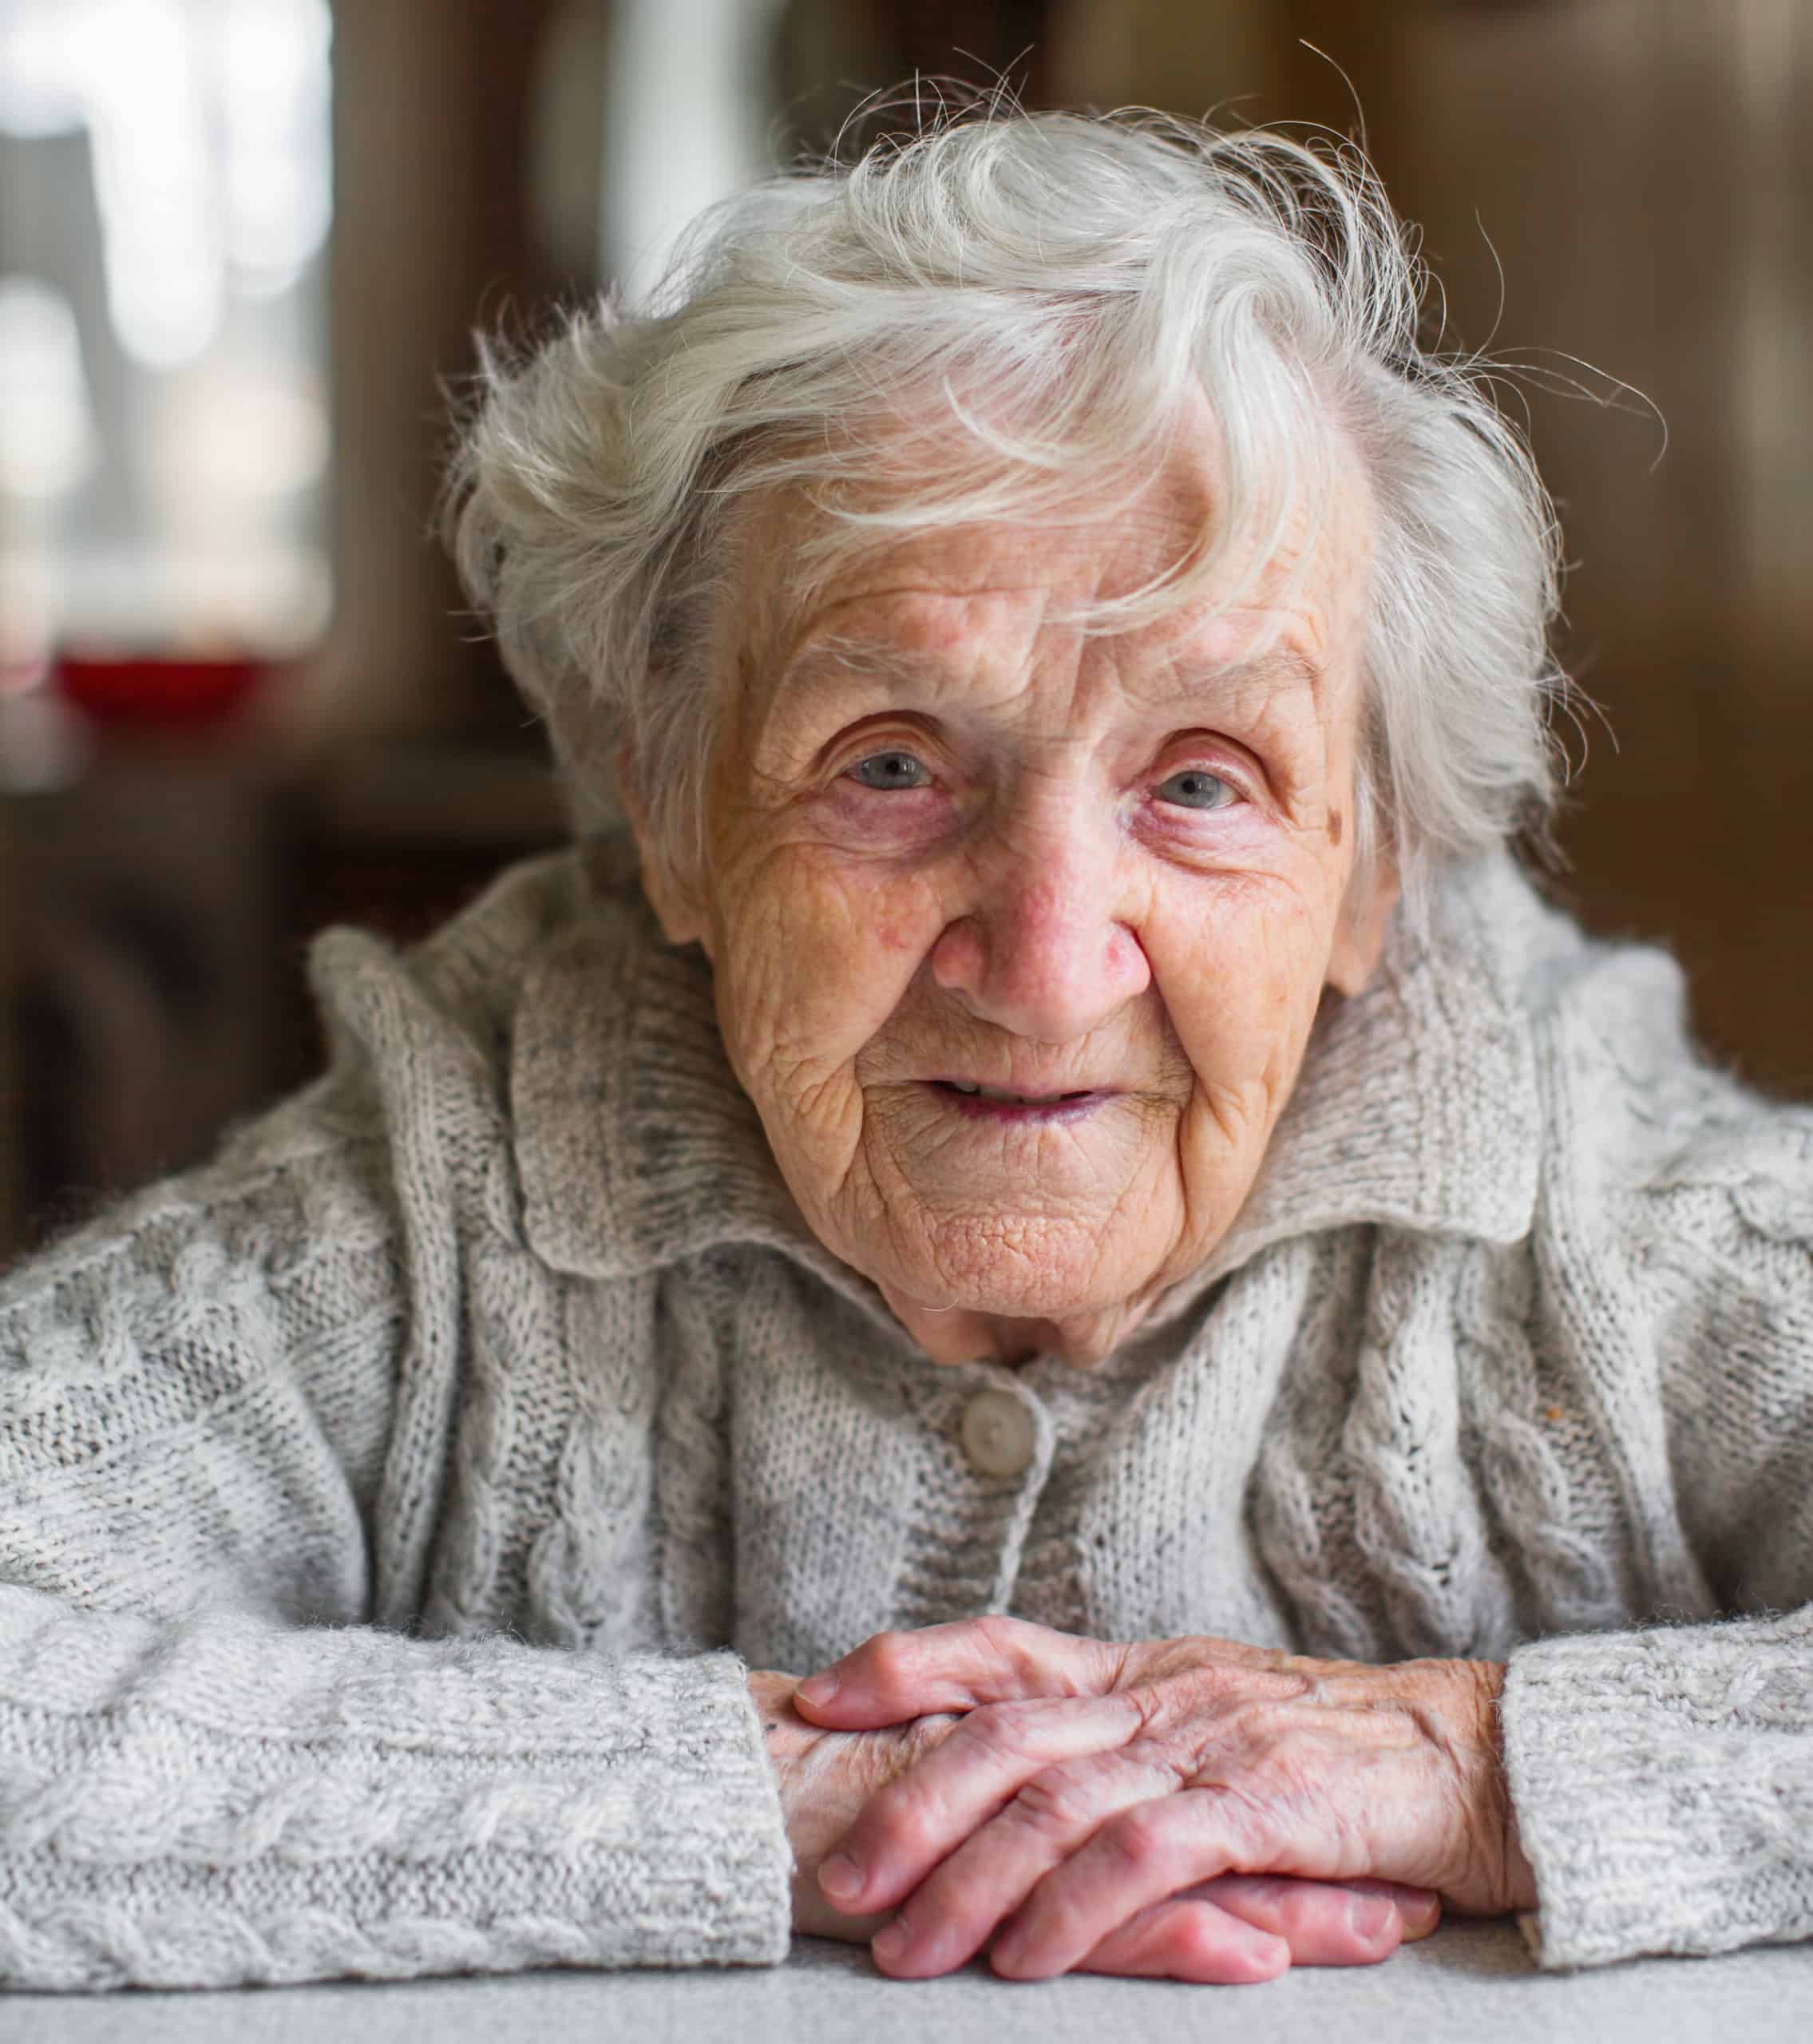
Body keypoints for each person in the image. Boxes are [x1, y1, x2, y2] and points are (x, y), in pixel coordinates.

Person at [2, 105, 1810, 1996]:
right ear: (673, 809)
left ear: (1371, 873)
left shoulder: (1600, 1202)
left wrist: (1472, 1765)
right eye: (889, 763)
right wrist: (781, 1793)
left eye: (1200, 781)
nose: (1040, 965)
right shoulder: (454, 1186)